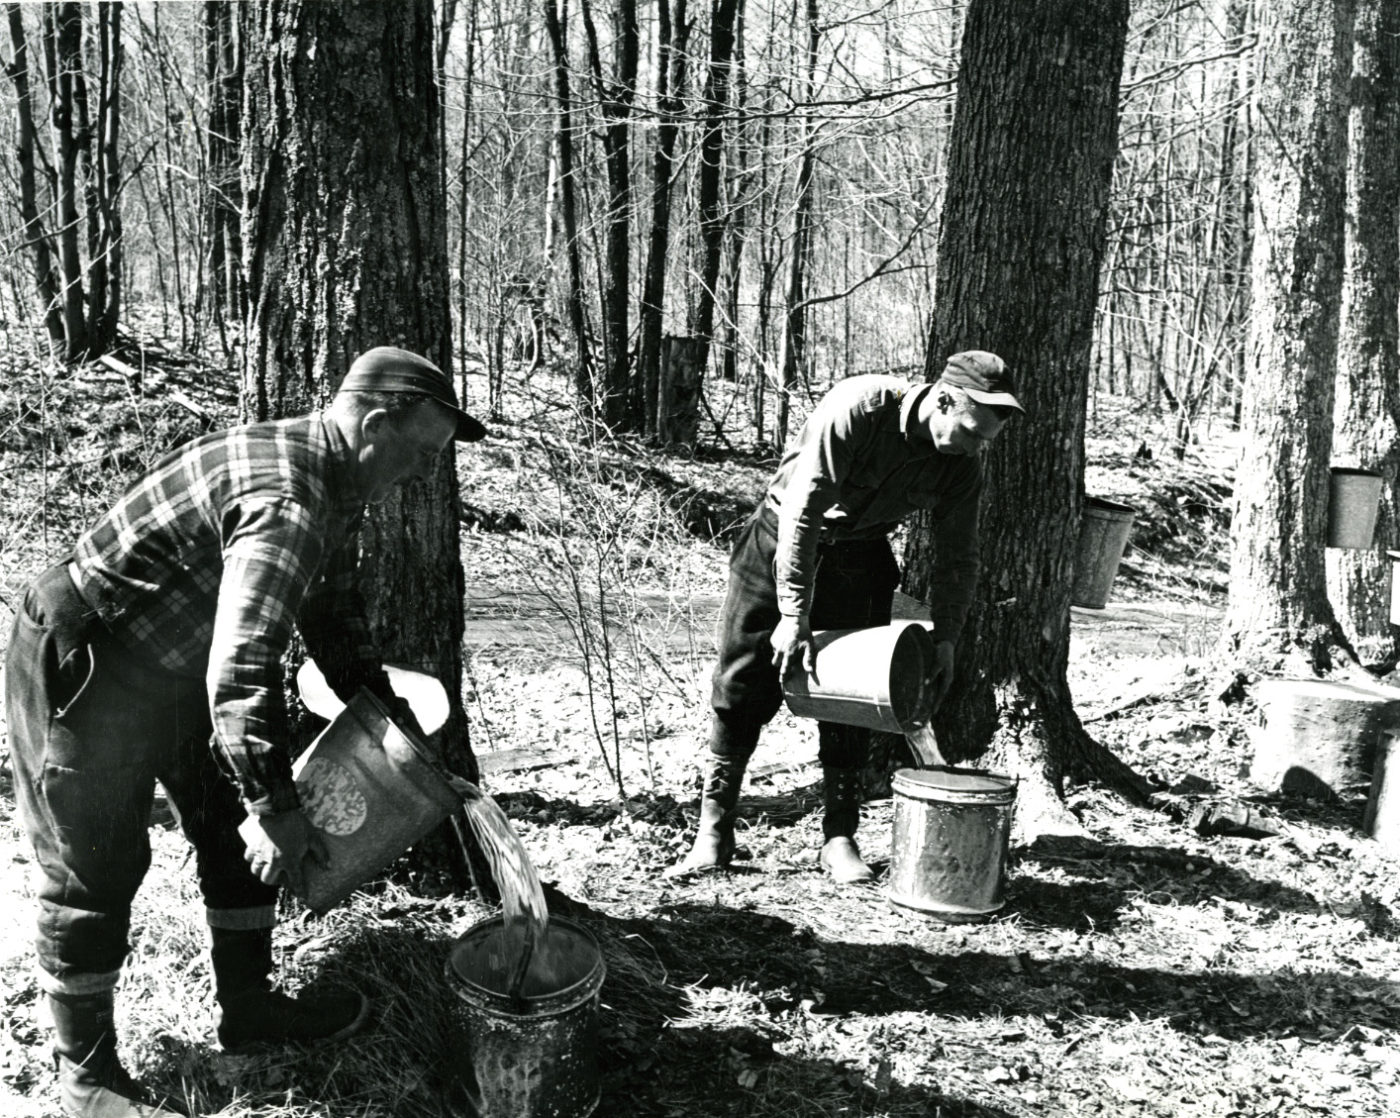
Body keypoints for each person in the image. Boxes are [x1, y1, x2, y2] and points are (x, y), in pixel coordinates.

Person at [5, 346, 486, 1118]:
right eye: (420, 452)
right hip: (89, 659)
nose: (426, 474)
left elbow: (332, 617)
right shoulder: (291, 497)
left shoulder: (334, 478)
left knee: (227, 830)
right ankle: (85, 1076)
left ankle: (249, 1006)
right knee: (95, 864)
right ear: (372, 421)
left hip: (170, 662)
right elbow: (243, 668)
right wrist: (279, 808)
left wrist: (390, 723)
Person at [671, 351, 1022, 884]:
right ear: (945, 399)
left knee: (856, 698)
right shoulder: (857, 407)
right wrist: (794, 611)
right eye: (973, 433)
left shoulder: (961, 466)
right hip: (779, 545)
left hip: (860, 558)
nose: (977, 449)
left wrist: (947, 639)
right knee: (742, 684)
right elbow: (803, 512)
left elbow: (959, 559)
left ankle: (839, 837)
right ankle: (714, 828)